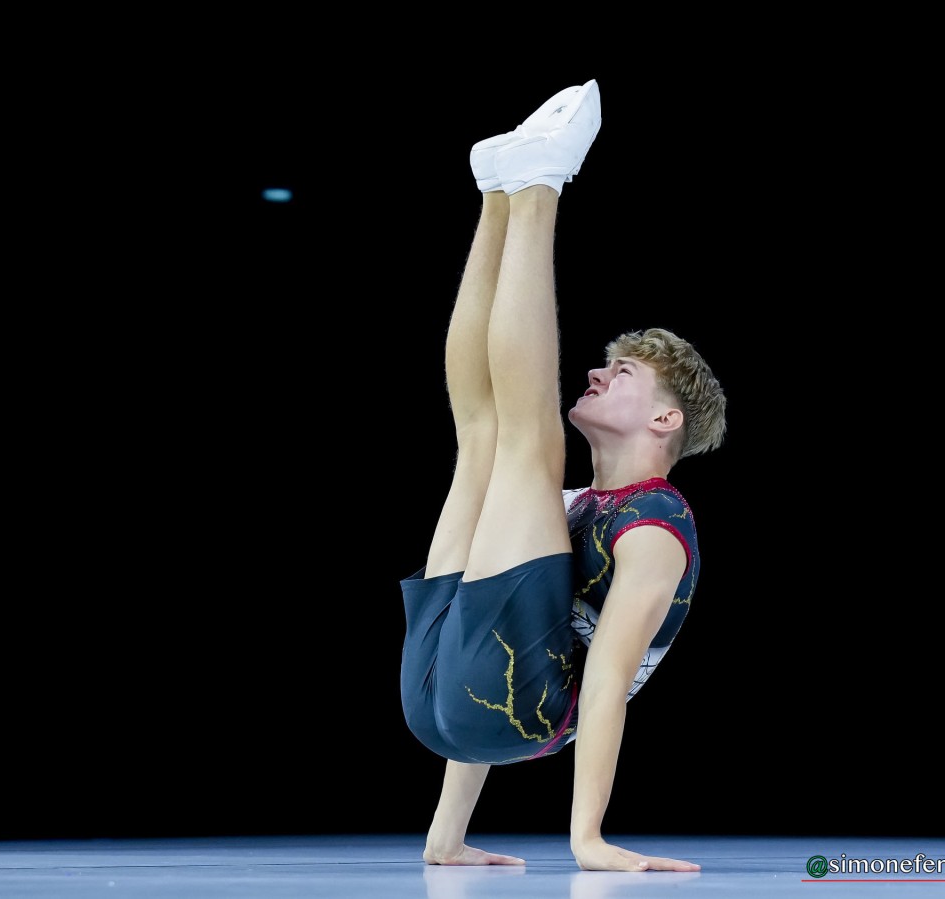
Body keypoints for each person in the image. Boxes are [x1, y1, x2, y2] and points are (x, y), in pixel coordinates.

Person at [398, 78, 727, 872]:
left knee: (522, 440)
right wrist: (445, 834)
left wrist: (588, 839)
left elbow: (607, 681)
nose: (596, 373)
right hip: (441, 701)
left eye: (623, 373)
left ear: (666, 419)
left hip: (516, 714)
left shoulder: (657, 526)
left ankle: (539, 184)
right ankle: (499, 192)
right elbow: (497, 637)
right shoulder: (578, 505)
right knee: (483, 437)